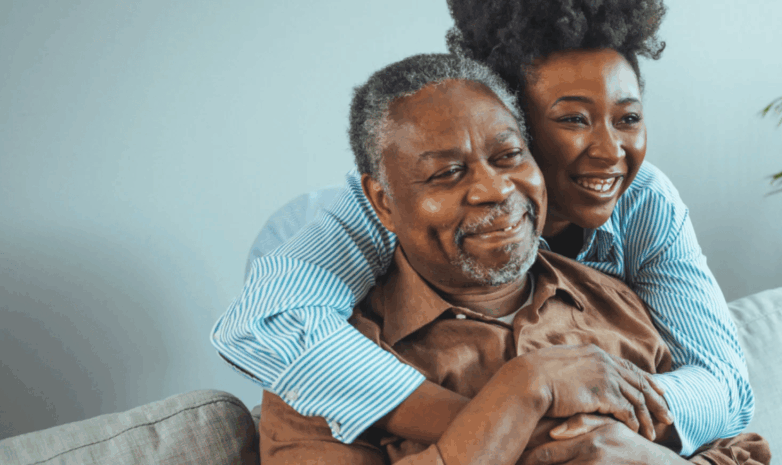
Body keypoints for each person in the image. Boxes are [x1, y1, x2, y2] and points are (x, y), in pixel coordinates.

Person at [211, 0, 753, 457]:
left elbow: (726, 388)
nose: (611, 153)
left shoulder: (643, 205)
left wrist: (609, 437)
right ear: (505, 113)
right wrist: (515, 410)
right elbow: (265, 323)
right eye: (572, 119)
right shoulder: (369, 213)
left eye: (628, 118)